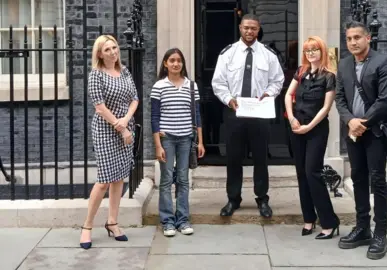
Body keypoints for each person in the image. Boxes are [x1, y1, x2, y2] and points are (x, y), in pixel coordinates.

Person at [211, 13, 284, 218]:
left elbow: (278, 80)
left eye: (253, 28)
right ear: (240, 28)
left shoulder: (268, 54)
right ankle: (233, 199)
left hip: (259, 112)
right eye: (246, 28)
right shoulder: (228, 54)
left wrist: (268, 94)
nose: (249, 31)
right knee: (233, 157)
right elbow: (218, 83)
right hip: (235, 111)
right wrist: (228, 99)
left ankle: (262, 199)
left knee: (260, 157)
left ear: (258, 29)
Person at [335, 21, 387, 260]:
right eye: (349, 38)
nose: (353, 42)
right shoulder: (344, 65)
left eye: (357, 37)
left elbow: (385, 100)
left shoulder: (383, 62)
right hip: (353, 131)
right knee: (358, 178)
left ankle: (381, 232)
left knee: (377, 181)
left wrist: (363, 123)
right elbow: (340, 99)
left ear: (368, 38)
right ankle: (363, 228)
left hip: (376, 132)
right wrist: (351, 121)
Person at [80, 35, 139, 249]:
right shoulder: (96, 75)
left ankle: (112, 222)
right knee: (104, 179)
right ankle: (87, 226)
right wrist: (120, 125)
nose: (113, 52)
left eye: (115, 47)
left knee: (119, 178)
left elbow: (135, 98)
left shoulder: (124, 72)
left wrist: (126, 121)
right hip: (106, 130)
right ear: (99, 54)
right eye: (107, 49)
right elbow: (99, 106)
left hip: (125, 127)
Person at [284, 36, 340, 239]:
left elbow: (326, 108)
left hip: (315, 129)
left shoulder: (329, 76)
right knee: (301, 174)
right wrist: (291, 119)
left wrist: (309, 126)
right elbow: (288, 96)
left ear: (322, 51)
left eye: (314, 49)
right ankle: (309, 219)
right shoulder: (300, 72)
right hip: (297, 128)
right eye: (308, 50)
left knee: (312, 173)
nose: (311, 53)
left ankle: (329, 222)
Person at [151, 48, 205, 237]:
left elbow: (197, 115)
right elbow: (155, 117)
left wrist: (200, 142)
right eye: (172, 60)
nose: (176, 64)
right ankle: (167, 221)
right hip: (167, 139)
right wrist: (157, 144)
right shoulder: (159, 86)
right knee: (166, 180)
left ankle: (183, 219)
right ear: (165, 63)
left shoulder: (192, 86)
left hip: (186, 138)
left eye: (179, 60)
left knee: (183, 179)